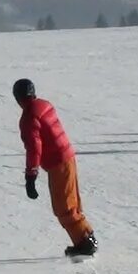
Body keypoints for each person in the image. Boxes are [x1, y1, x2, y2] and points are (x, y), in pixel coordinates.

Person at [14, 78, 97, 258]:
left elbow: (34, 148)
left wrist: (31, 176)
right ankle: (87, 235)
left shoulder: (29, 117)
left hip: (58, 162)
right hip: (68, 155)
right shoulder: (44, 105)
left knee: (63, 206)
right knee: (71, 201)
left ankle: (84, 243)